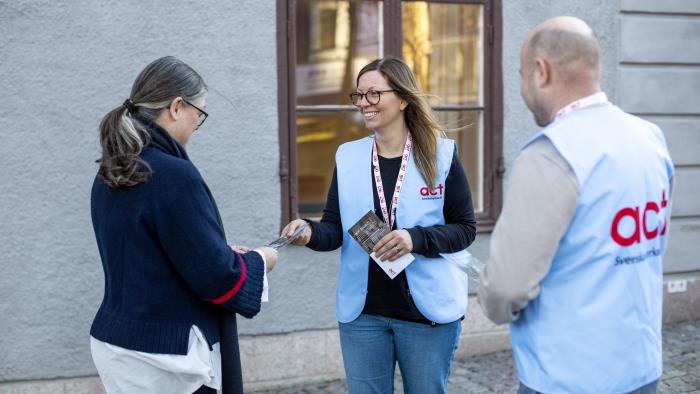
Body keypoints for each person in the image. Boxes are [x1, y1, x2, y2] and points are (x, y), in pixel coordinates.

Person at [478, 17, 674, 394]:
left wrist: (492, 300)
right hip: (640, 365)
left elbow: (507, 287)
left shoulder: (551, 154)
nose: (522, 89)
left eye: (521, 75)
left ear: (541, 71)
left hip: (568, 374)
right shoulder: (650, 138)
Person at [282, 57, 477, 393]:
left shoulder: (441, 155)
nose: (363, 103)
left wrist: (414, 239)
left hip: (426, 314)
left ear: (402, 99)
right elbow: (334, 228)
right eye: (358, 95)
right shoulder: (348, 156)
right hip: (364, 315)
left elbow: (464, 229)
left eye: (373, 94)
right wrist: (309, 232)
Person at [89, 56, 277, 394]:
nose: (196, 125)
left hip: (117, 344)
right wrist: (261, 260)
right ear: (177, 106)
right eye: (199, 114)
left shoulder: (112, 172)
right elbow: (219, 278)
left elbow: (147, 253)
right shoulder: (174, 174)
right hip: (168, 357)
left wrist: (215, 250)